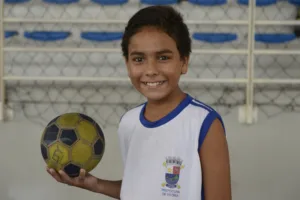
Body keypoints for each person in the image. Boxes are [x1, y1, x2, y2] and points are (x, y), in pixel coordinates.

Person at [47, 5, 232, 200]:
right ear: (128, 65)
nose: (150, 70)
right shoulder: (129, 122)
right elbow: (139, 189)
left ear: (183, 62)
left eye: (163, 57)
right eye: (139, 59)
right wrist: (96, 184)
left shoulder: (204, 124)